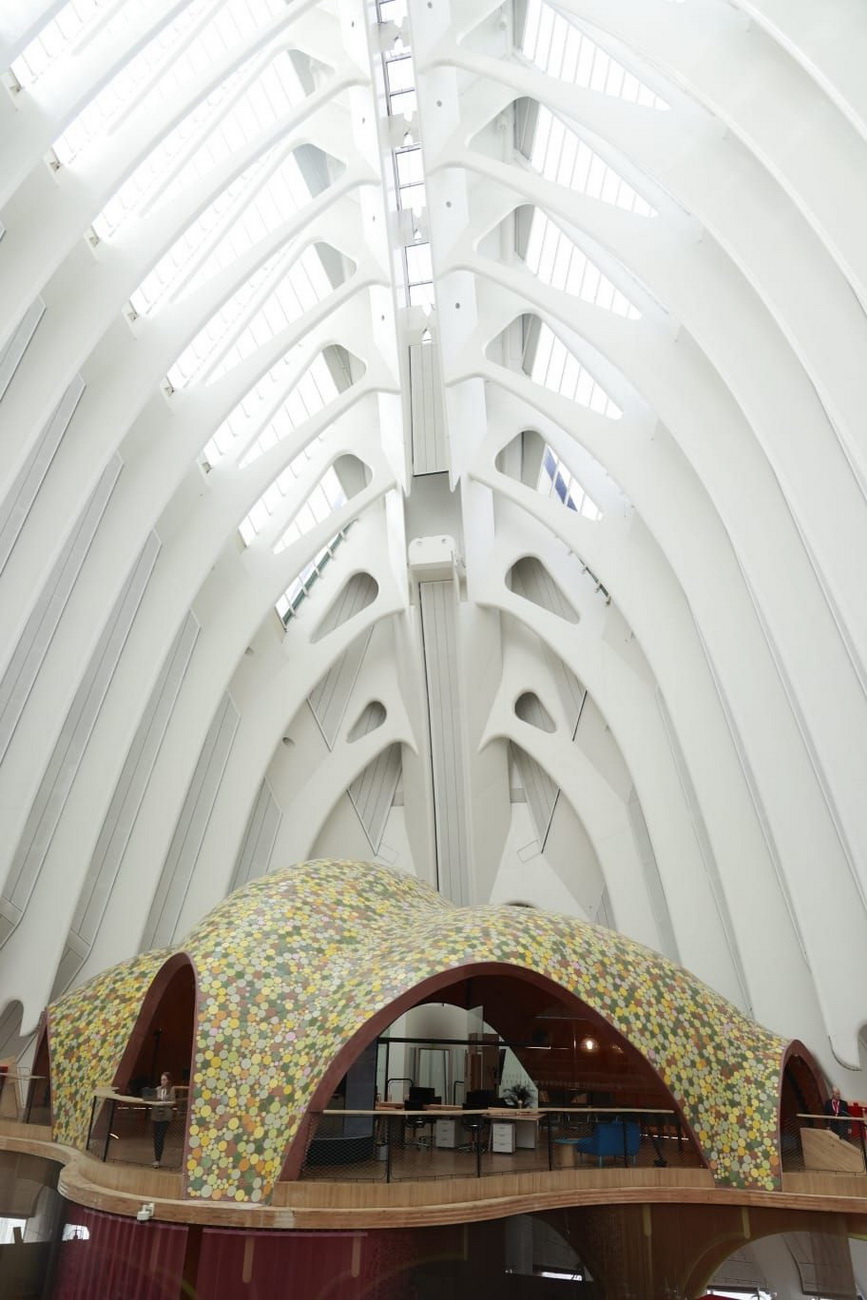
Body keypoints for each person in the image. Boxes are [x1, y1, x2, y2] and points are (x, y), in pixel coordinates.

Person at [149, 1071, 175, 1167]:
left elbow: (173, 1102)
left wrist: (164, 1102)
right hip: (156, 1116)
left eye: (164, 1079)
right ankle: (156, 1158)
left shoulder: (171, 1090)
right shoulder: (157, 1089)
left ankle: (158, 1159)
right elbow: (152, 1100)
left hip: (165, 1117)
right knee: (156, 1138)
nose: (162, 1081)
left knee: (160, 1137)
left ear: (168, 1081)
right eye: (161, 1080)